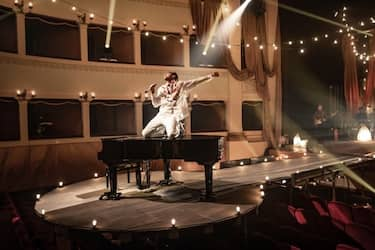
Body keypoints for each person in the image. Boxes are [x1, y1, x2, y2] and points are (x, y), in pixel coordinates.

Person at [142, 71, 219, 139]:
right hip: (161, 114)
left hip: (172, 115)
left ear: (175, 79)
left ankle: (176, 129)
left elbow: (196, 82)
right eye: (167, 81)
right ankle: (162, 130)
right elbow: (156, 104)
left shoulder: (181, 85)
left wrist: (210, 76)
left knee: (171, 134)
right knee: (145, 133)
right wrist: (152, 93)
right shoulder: (162, 89)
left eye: (171, 80)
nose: (170, 83)